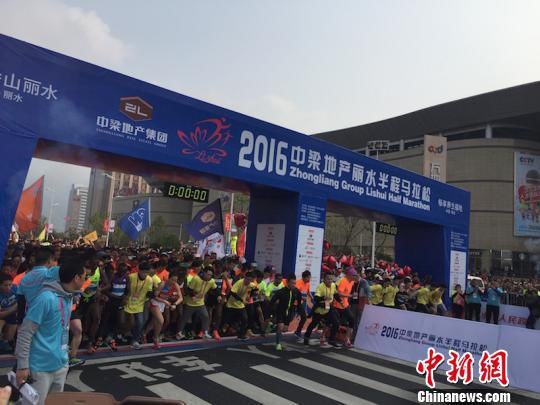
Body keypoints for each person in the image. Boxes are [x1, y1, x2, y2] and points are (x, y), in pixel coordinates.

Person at [15, 259, 86, 405]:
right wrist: (22, 366)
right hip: (40, 368)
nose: (86, 280)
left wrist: (65, 359)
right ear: (76, 278)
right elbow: (25, 333)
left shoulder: (68, 297)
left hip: (60, 364)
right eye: (84, 277)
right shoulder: (45, 299)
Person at [176, 268, 217, 340]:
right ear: (204, 273)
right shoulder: (196, 279)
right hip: (190, 303)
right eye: (208, 274)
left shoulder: (212, 281)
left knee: (205, 317)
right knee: (185, 318)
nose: (209, 276)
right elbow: (189, 289)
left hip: (200, 303)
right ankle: (179, 333)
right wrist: (193, 296)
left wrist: (218, 295)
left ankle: (205, 333)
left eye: (211, 275)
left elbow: (215, 289)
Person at [303, 272, 342, 348]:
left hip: (328, 308)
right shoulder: (320, 286)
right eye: (328, 279)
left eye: (331, 279)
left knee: (336, 323)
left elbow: (335, 294)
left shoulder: (333, 285)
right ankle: (306, 337)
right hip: (319, 309)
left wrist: (340, 301)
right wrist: (323, 298)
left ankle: (331, 340)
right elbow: (316, 298)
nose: (330, 280)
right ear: (324, 279)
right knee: (313, 324)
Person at [123, 262, 154, 350]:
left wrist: (153, 293)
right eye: (143, 272)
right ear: (139, 270)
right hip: (128, 302)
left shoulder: (149, 280)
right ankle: (120, 335)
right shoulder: (131, 277)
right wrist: (124, 298)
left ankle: (135, 340)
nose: (145, 274)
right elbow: (125, 289)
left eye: (147, 272)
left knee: (140, 322)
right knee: (124, 321)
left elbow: (149, 292)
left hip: (139, 304)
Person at [270, 274, 302, 351]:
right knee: (280, 327)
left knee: (284, 329)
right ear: (287, 282)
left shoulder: (296, 291)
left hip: (290, 312)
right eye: (292, 283)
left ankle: (275, 326)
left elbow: (299, 302)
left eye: (294, 283)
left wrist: (299, 312)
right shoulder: (281, 292)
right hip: (280, 311)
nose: (293, 285)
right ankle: (278, 344)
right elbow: (272, 301)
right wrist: (271, 313)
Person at [223, 271, 256, 340]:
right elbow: (232, 292)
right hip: (231, 304)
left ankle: (241, 335)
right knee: (227, 320)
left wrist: (249, 296)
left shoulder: (251, 284)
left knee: (245, 319)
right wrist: (242, 300)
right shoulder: (239, 283)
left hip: (240, 305)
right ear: (245, 277)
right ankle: (223, 332)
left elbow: (254, 289)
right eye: (247, 279)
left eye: (250, 280)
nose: (248, 281)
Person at [333, 268, 357, 347]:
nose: (355, 277)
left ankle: (347, 339)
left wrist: (349, 299)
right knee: (333, 322)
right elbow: (339, 294)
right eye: (354, 275)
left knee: (352, 319)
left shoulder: (352, 282)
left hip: (345, 305)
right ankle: (324, 337)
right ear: (349, 275)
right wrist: (350, 296)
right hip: (337, 304)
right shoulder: (343, 280)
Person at [0, 273, 17, 353]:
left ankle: (8, 343)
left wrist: (8, 309)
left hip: (13, 317)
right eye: (5, 285)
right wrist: (14, 308)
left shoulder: (15, 288)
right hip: (3, 317)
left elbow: (22, 302)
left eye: (10, 285)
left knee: (9, 337)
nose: (8, 287)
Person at [294, 270, 312, 340]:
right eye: (309, 277)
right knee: (290, 317)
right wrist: (303, 297)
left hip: (301, 304)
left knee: (304, 317)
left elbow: (308, 291)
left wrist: (310, 296)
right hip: (295, 303)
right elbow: (296, 294)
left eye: (310, 277)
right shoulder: (298, 283)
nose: (309, 279)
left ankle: (298, 332)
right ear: (304, 277)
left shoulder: (308, 284)